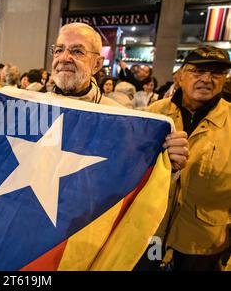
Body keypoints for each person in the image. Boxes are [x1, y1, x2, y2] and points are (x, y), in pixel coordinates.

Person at [50, 22, 188, 170]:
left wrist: (166, 164)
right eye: (59, 50)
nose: (64, 58)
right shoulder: (32, 110)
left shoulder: (121, 121)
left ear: (97, 64)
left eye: (77, 51)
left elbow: (130, 174)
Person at [148, 46, 231, 271]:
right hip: (151, 232)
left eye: (216, 73)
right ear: (180, 75)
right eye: (197, 71)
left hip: (202, 245)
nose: (206, 79)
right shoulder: (155, 113)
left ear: (224, 79)